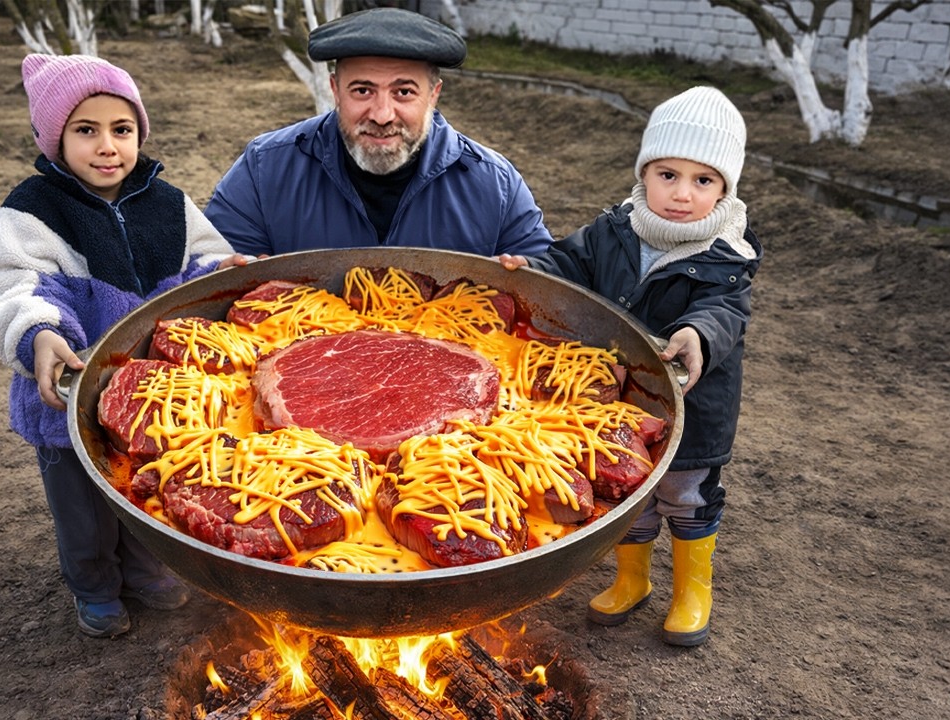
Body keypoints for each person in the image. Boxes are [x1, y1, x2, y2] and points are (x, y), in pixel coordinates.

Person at [0, 53, 243, 638]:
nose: (107, 147)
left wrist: (225, 268)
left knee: (144, 486)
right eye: (85, 130)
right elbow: (12, 286)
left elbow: (200, 264)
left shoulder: (167, 202)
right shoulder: (34, 210)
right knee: (83, 512)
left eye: (121, 130)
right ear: (54, 139)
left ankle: (145, 572)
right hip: (65, 400)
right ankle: (95, 588)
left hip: (156, 397)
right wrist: (40, 334)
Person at [500, 86, 763, 646]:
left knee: (687, 497)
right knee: (630, 496)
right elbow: (568, 263)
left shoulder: (726, 256)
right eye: (667, 174)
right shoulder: (615, 229)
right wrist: (533, 267)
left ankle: (694, 591)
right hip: (615, 405)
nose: (681, 194)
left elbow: (724, 312)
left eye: (703, 181)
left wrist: (697, 334)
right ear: (644, 172)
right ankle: (632, 580)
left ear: (723, 189)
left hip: (694, 407)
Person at [204, 7, 554, 258]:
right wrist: (224, 271)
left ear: (433, 95)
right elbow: (207, 276)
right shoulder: (266, 170)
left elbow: (547, 289)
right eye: (362, 91)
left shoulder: (495, 184)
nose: (383, 115)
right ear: (335, 91)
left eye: (404, 92)